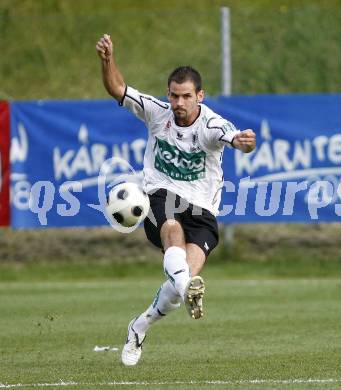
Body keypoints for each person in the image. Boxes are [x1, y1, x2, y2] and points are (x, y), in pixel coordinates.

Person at [96, 33, 256, 366]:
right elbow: (118, 89)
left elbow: (235, 139)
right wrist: (108, 59)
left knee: (178, 283)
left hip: (203, 209)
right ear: (167, 94)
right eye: (173, 95)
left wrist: (243, 142)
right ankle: (187, 289)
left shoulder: (212, 124)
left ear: (200, 95)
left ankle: (141, 325)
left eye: (186, 97)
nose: (178, 103)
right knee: (170, 227)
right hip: (160, 195)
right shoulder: (157, 113)